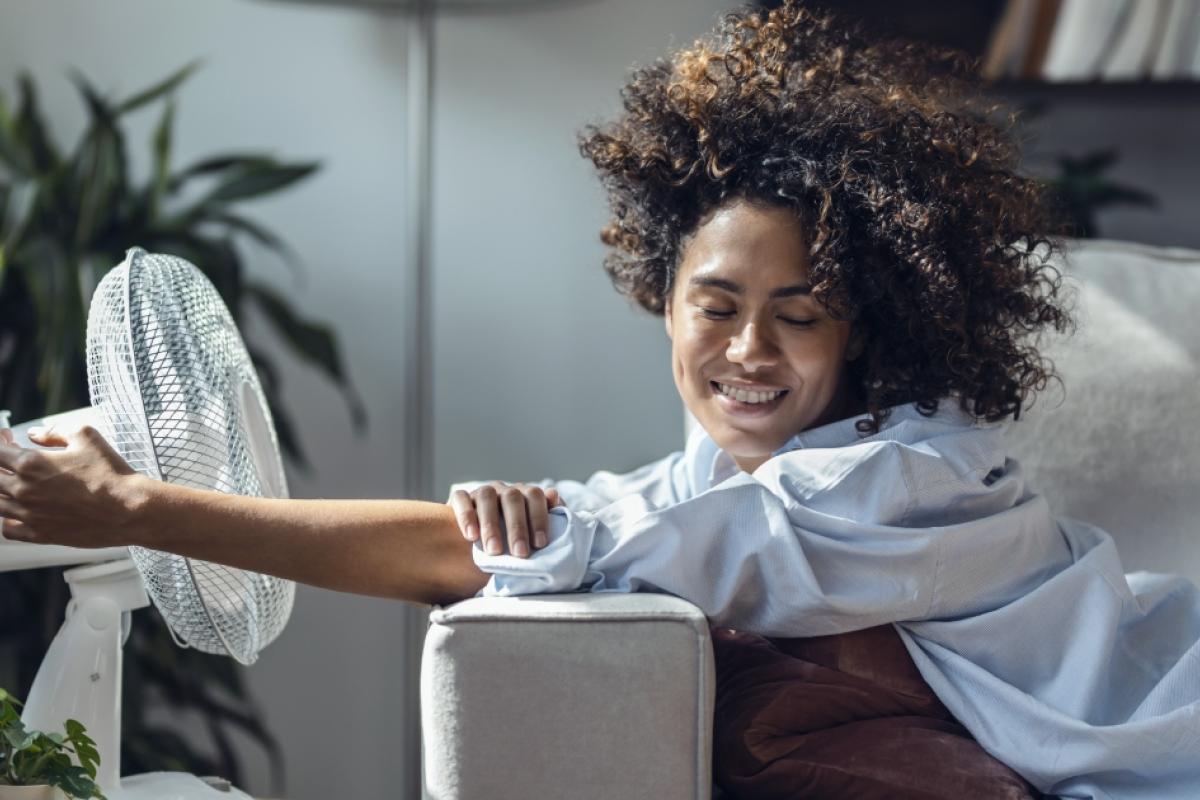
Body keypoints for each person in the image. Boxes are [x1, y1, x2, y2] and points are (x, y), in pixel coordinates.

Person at [1, 2, 1198, 797]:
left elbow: (462, 556)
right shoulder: (713, 483)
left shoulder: (904, 481)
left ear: (863, 327)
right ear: (659, 298)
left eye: (801, 312)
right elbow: (558, 530)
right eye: (716, 303)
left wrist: (136, 505)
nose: (749, 348)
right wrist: (524, 517)